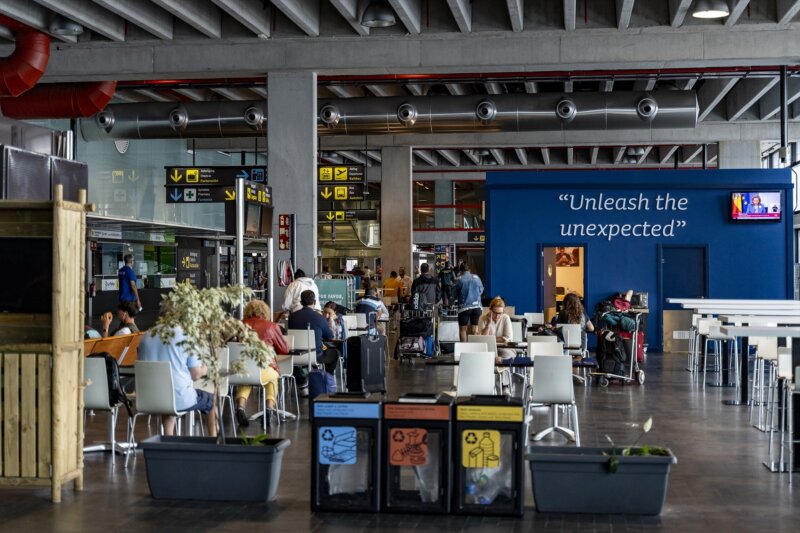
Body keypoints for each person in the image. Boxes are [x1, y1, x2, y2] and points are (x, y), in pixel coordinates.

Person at [137, 320, 217, 437]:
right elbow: (195, 375)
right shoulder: (186, 336)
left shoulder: (146, 335)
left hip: (148, 399)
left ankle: (169, 439)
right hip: (178, 398)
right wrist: (204, 368)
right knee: (211, 401)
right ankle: (214, 443)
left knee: (169, 397)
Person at [235, 300, 287, 428]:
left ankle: (240, 408)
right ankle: (269, 409)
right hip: (264, 368)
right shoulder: (271, 326)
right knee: (273, 377)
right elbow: (284, 349)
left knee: (247, 380)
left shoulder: (240, 325)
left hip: (243, 369)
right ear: (265, 311)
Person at [287, 290, 341, 396]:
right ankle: (325, 379)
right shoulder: (320, 318)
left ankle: (303, 382)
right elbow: (330, 336)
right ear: (315, 302)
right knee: (335, 353)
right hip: (316, 356)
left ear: (301, 302)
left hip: (296, 357)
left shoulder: (292, 317)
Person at [479, 296, 516, 361]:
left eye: (500, 313)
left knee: (506, 355)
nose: (497, 316)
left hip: (504, 349)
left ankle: (500, 369)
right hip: (488, 349)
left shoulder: (505, 318)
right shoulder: (483, 319)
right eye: (495, 313)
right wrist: (488, 325)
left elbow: (508, 338)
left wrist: (491, 339)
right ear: (490, 310)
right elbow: (482, 340)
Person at [456, 263, 484, 342]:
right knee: (474, 328)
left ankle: (463, 349)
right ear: (469, 270)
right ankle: (474, 349)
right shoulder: (476, 277)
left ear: (460, 271)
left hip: (464, 307)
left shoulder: (459, 279)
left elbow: (454, 293)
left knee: (463, 329)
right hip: (477, 306)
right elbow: (481, 290)